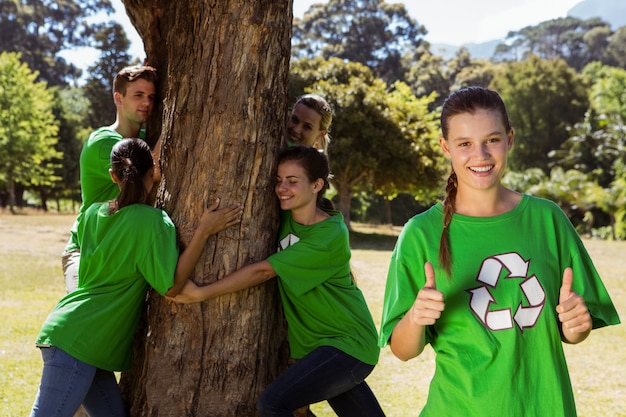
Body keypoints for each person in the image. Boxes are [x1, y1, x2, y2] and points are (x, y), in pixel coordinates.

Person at [379, 86, 620, 416]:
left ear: (509, 139)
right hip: (459, 408)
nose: (480, 155)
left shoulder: (547, 220)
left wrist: (577, 327)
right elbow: (402, 351)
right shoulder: (421, 234)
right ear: (445, 147)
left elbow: (574, 331)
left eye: (491, 140)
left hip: (544, 407)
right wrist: (416, 317)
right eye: (464, 144)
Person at [30, 138, 243, 417]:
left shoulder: (94, 213)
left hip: (82, 339)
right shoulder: (153, 221)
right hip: (79, 343)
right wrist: (203, 230)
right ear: (153, 171)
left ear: (113, 176)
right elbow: (172, 286)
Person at [169, 146, 386, 417]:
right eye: (279, 180)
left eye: (292, 182)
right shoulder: (282, 216)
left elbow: (264, 271)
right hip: (321, 347)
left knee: (273, 404)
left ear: (317, 185)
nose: (282, 188)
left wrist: (202, 292)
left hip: (348, 345)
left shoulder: (329, 235)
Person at [63, 65, 160, 293]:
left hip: (122, 248)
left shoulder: (147, 140)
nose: (147, 102)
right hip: (88, 250)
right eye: (138, 95)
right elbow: (153, 171)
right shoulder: (103, 142)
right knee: (82, 314)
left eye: (151, 97)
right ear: (119, 98)